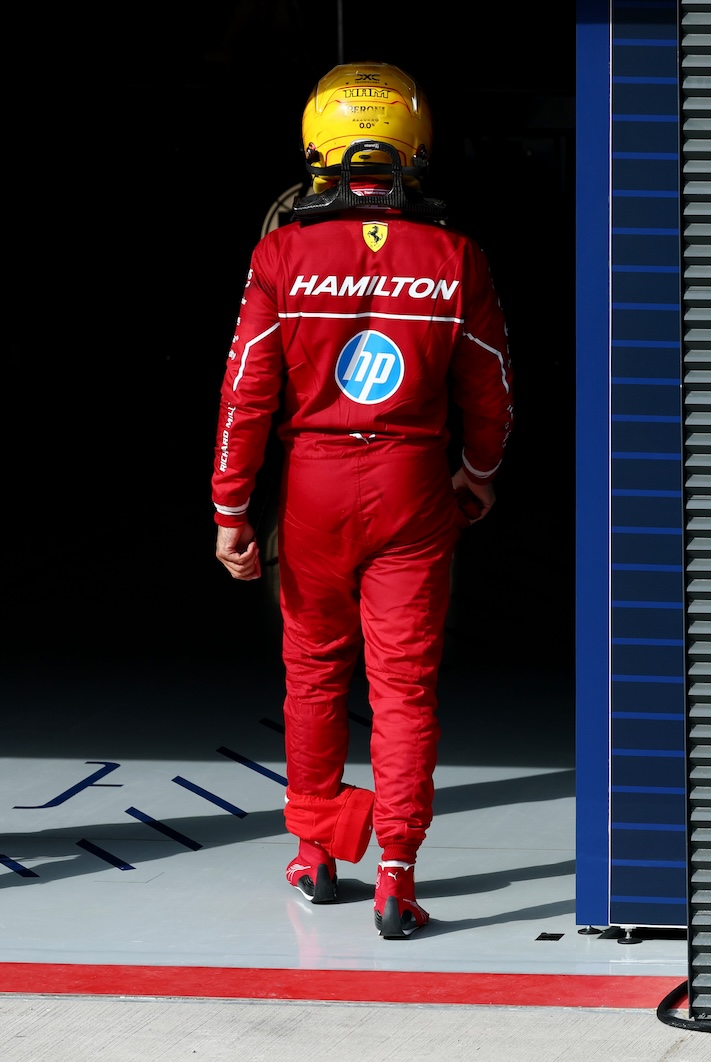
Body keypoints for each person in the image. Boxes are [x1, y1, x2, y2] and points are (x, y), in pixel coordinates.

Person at [209, 61, 514, 939]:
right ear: (415, 142)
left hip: (314, 487)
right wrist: (480, 471)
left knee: (312, 677)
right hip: (415, 483)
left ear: (317, 140)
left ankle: (315, 853)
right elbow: (491, 389)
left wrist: (230, 507)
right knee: (405, 688)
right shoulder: (457, 254)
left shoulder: (281, 252)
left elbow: (245, 392)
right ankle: (396, 872)